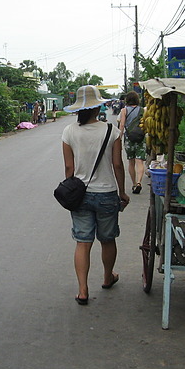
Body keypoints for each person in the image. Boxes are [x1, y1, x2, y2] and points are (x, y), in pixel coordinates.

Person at [61, 85, 130, 306]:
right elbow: (118, 165)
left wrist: (71, 188)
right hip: (107, 193)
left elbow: (69, 169)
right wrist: (122, 192)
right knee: (108, 239)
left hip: (80, 195)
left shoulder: (69, 131)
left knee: (83, 242)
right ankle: (108, 277)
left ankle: (82, 290)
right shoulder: (112, 131)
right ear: (98, 106)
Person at [118, 91, 146, 194]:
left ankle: (134, 183)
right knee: (140, 161)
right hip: (141, 138)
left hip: (129, 139)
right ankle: (139, 182)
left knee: (131, 161)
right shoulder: (143, 110)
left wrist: (119, 139)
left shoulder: (124, 110)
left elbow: (121, 125)